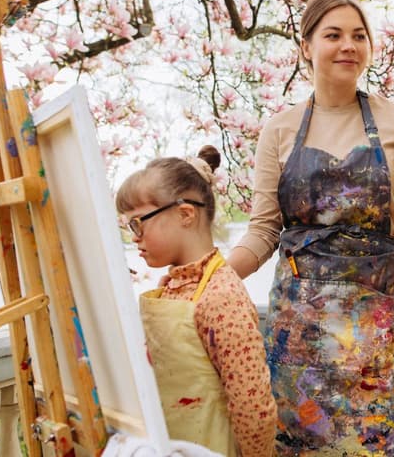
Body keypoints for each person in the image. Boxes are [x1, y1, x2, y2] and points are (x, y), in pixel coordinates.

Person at [227, 0, 394, 455]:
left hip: (376, 326)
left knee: (377, 441)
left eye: (358, 36)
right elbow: (263, 230)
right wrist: (212, 278)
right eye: (334, 35)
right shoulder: (279, 129)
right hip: (300, 331)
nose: (348, 45)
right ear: (306, 46)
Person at [116, 146, 276, 457]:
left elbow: (253, 408)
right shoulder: (171, 287)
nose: (134, 237)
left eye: (137, 223)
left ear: (185, 214)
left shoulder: (221, 297)